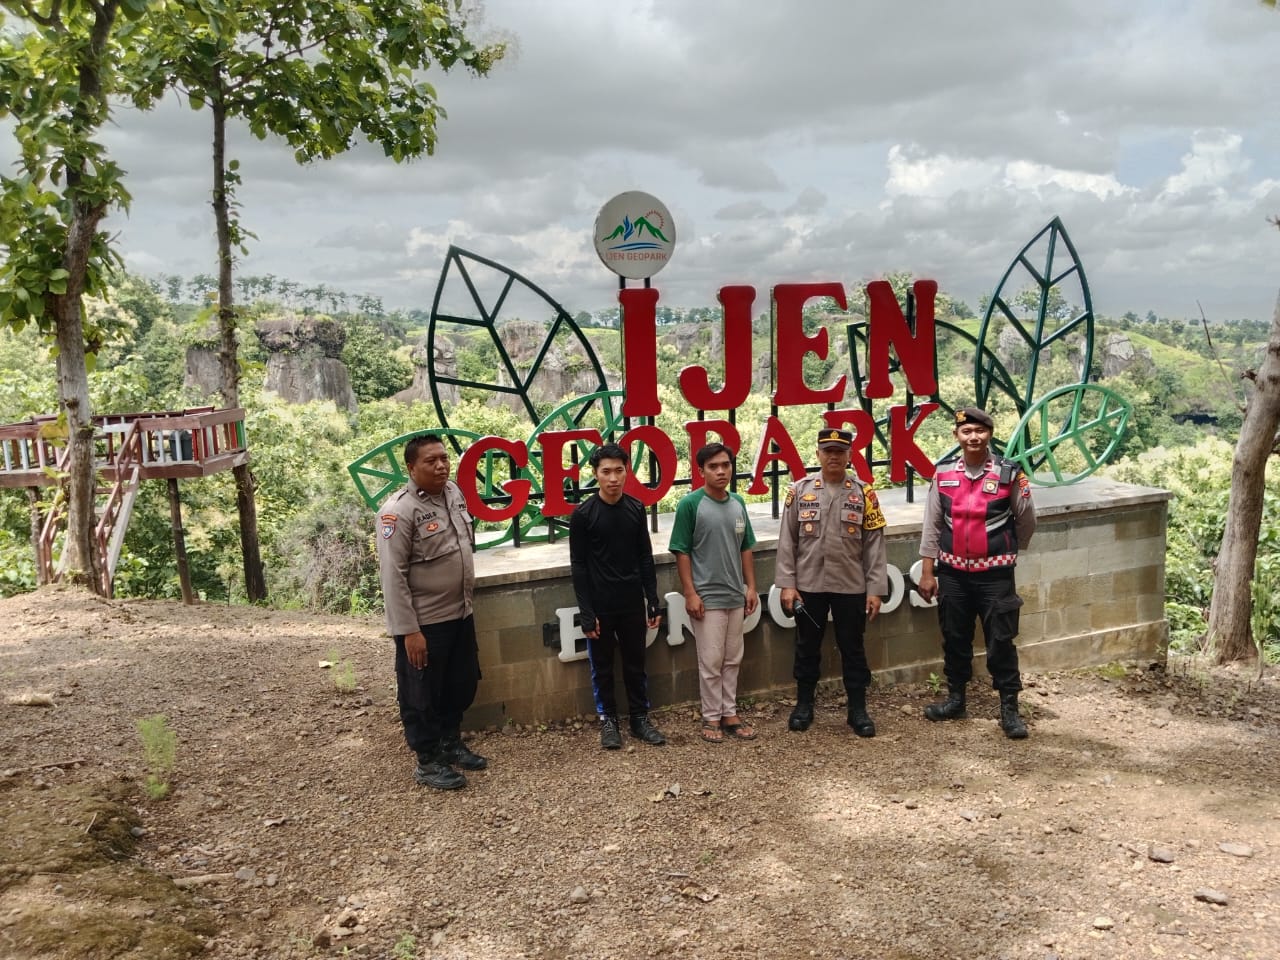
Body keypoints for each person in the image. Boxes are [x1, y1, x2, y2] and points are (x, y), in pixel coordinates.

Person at [916, 407, 1037, 739]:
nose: (973, 437)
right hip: (953, 574)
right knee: (955, 638)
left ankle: (1009, 709)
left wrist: (1008, 550)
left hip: (995, 576)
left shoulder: (1009, 473)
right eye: (966, 431)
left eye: (980, 431)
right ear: (957, 436)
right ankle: (956, 700)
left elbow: (1026, 519)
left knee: (1001, 640)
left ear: (989, 434)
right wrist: (929, 572)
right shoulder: (942, 475)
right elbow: (932, 527)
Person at [377, 433, 488, 790]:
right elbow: (393, 577)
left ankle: (450, 742)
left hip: (461, 614)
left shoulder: (454, 493)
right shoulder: (398, 512)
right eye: (430, 461)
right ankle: (427, 760)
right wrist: (409, 631)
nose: (441, 465)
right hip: (426, 622)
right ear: (411, 467)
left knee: (461, 683)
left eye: (443, 458)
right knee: (422, 693)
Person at [776, 427, 888, 737]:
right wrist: (787, 584)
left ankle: (857, 709)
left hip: (851, 587)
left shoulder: (864, 493)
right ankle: (803, 706)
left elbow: (874, 546)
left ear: (850, 456)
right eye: (828, 450)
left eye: (840, 451)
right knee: (806, 646)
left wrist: (875, 590)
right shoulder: (800, 491)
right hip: (809, 585)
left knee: (853, 648)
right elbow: (788, 542)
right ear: (818, 455)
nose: (834, 456)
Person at [569, 442, 667, 750]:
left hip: (631, 603)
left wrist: (652, 598)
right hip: (600, 605)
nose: (613, 478)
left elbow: (644, 557)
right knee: (602, 666)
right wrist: (586, 612)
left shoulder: (636, 508)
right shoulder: (584, 515)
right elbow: (579, 565)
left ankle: (639, 718)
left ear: (627, 472)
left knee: (636, 663)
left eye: (619, 471)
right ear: (596, 474)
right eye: (606, 471)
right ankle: (608, 720)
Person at [669, 443, 760, 743]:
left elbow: (745, 546)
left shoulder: (738, 504)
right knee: (710, 659)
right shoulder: (691, 505)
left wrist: (751, 587)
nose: (721, 471)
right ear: (701, 471)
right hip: (706, 597)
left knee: (732, 657)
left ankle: (730, 713)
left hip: (736, 594)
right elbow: (681, 551)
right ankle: (711, 717)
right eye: (713, 466)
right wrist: (690, 593)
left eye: (725, 465)